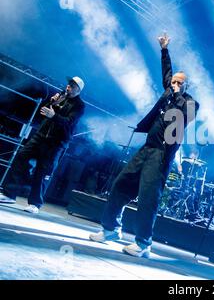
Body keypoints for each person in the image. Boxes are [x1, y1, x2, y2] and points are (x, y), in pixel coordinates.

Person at [89, 34, 199, 258]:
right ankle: (111, 229)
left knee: (148, 197)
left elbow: (182, 117)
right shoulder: (169, 92)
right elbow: (166, 72)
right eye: (173, 82)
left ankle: (143, 244)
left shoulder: (189, 103)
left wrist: (177, 95)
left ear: (186, 86)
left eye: (179, 83)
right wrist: (164, 49)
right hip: (147, 148)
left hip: (161, 154)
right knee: (121, 184)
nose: (174, 84)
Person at [0, 77, 86, 214]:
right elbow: (44, 112)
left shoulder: (79, 106)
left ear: (78, 89)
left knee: (42, 171)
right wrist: (52, 102)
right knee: (21, 157)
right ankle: (10, 194)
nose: (68, 87)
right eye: (69, 84)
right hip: (41, 135)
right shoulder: (61, 97)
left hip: (56, 142)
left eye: (72, 85)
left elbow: (69, 122)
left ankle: (35, 204)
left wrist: (54, 115)